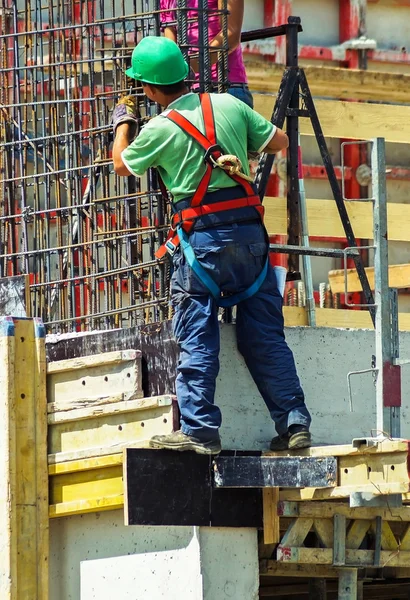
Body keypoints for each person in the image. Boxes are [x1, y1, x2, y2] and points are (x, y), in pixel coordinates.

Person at [112, 36, 311, 455]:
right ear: (184, 76)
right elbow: (280, 143)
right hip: (251, 241)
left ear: (148, 89)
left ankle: (201, 431)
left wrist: (122, 121)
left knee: (197, 334)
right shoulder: (228, 105)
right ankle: (294, 423)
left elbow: (121, 163)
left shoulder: (158, 129)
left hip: (202, 244)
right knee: (266, 338)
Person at [160, 0, 253, 108]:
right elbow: (171, 48)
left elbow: (231, 35)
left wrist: (186, 69)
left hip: (224, 86)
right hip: (188, 92)